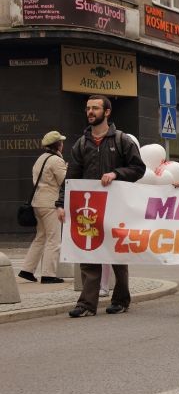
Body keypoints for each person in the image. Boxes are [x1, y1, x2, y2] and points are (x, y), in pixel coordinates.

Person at [57, 94, 146, 317]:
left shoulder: (122, 140)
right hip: (90, 208)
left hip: (116, 207)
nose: (90, 112)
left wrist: (116, 173)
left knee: (117, 255)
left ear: (107, 112)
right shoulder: (81, 143)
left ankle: (121, 299)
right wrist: (61, 203)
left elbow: (138, 169)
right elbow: (71, 177)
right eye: (88, 108)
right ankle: (87, 304)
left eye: (95, 108)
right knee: (88, 254)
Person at [19, 131, 68, 284]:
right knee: (54, 239)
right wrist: (66, 168)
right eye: (61, 142)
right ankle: (48, 275)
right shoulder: (56, 161)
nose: (63, 144)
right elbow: (64, 181)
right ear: (58, 145)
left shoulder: (40, 159)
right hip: (51, 203)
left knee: (41, 237)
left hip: (37, 202)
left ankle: (27, 270)